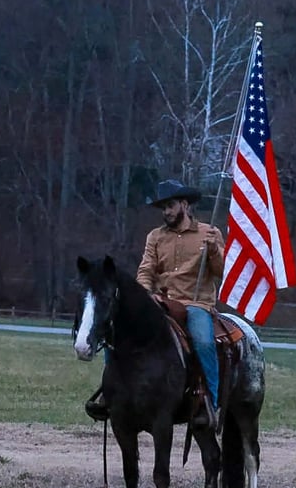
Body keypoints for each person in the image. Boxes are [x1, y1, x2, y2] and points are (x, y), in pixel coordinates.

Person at [85, 179, 225, 428]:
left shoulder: (209, 234)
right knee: (116, 331)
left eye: (170, 206)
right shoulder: (155, 237)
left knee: (203, 341)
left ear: (184, 205)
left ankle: (210, 403)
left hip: (195, 303)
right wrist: (144, 295)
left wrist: (214, 250)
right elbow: (146, 269)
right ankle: (110, 392)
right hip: (160, 301)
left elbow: (221, 271)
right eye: (163, 208)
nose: (166, 212)